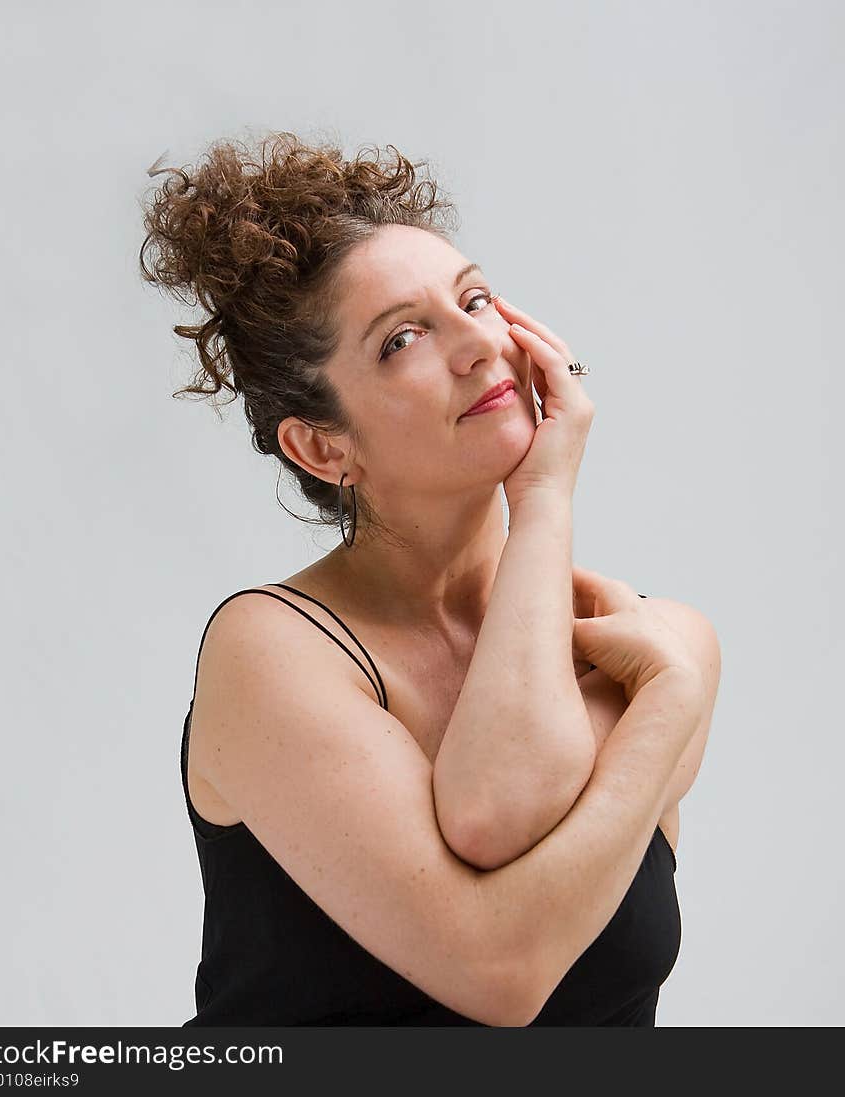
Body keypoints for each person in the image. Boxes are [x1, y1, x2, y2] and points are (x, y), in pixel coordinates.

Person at [139, 131, 721, 1026]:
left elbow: (499, 804)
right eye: (402, 337)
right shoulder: (269, 651)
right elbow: (501, 965)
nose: (476, 346)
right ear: (322, 445)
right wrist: (669, 701)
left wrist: (542, 521)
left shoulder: (656, 636)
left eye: (476, 298)